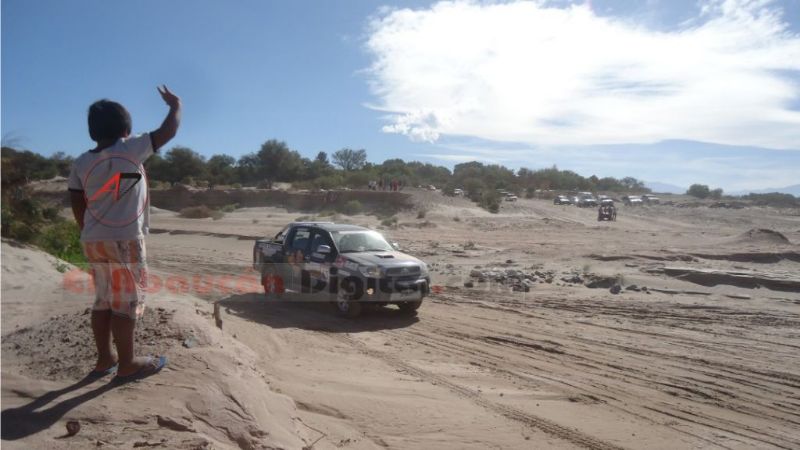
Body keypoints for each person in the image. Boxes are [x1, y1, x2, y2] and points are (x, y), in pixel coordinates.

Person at [68, 85, 181, 382]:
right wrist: (175, 105)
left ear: (93, 131)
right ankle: (128, 363)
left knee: (103, 299)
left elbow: (77, 202)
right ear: (126, 129)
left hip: (94, 239)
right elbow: (168, 131)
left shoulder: (81, 162)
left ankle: (105, 358)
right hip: (125, 239)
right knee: (126, 301)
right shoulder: (130, 150)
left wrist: (89, 231)